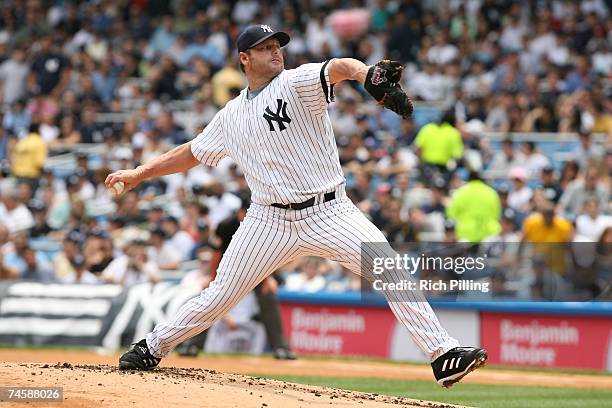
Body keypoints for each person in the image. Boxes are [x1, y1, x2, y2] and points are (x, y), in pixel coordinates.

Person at [108, 24, 486, 387]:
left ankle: (442, 354)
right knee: (220, 295)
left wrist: (365, 73)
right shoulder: (231, 115)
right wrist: (140, 173)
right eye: (266, 48)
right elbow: (191, 152)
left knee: (389, 267)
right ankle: (151, 347)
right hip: (267, 219)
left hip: (330, 211)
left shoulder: (294, 82)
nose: (276, 52)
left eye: (277, 46)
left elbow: (338, 67)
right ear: (244, 58)